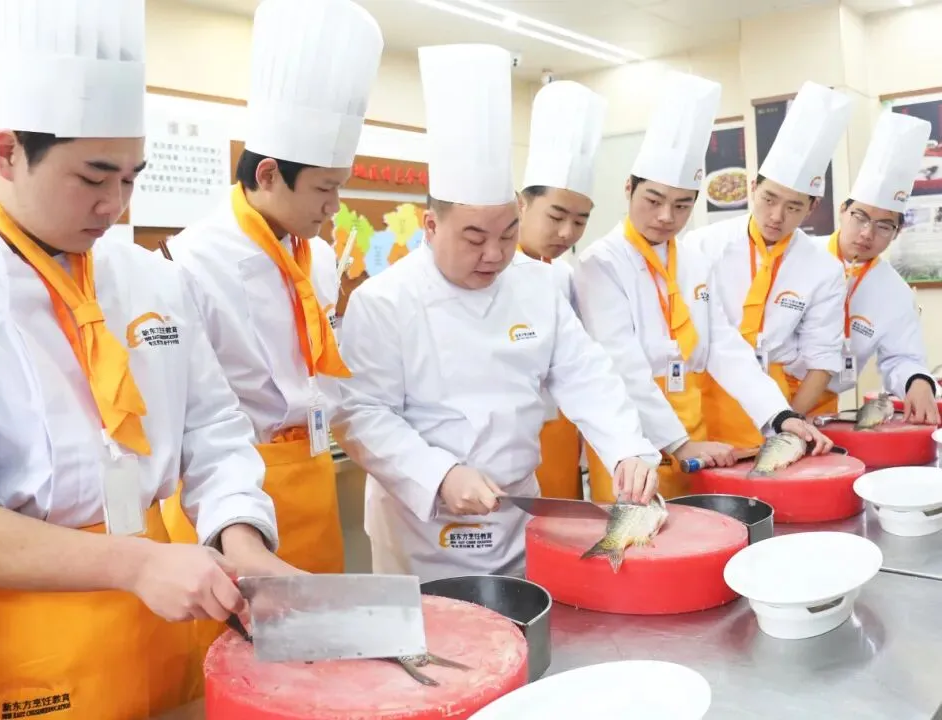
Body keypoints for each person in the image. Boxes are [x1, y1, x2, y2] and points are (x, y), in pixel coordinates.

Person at [0, 1, 292, 716]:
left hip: (155, 627)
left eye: (131, 178)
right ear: (7, 152)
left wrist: (240, 540)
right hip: (6, 642)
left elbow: (212, 431)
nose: (114, 205)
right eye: (93, 179)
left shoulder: (151, 279)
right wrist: (138, 562)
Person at [331, 43, 662, 584]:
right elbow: (361, 414)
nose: (494, 254)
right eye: (474, 238)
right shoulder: (385, 300)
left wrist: (627, 448)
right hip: (422, 527)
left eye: (508, 234)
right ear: (430, 226)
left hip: (515, 517)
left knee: (525, 616)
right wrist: (440, 474)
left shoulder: (537, 284)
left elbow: (584, 373)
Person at [161, 0, 384, 575]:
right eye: (323, 190)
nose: (334, 207)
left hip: (312, 474)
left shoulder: (320, 257)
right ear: (267, 174)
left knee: (320, 620)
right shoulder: (189, 261)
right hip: (226, 492)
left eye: (339, 188)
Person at [572, 71, 833, 503]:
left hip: (691, 424)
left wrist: (778, 414)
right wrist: (676, 443)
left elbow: (722, 345)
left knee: (693, 526)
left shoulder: (690, 257)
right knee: (636, 528)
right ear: (628, 188)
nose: (666, 217)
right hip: (631, 433)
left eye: (681, 205)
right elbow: (622, 366)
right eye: (653, 200)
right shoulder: (600, 263)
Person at [682, 81, 849, 445]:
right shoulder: (701, 245)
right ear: (752, 187)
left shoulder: (824, 269)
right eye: (769, 199)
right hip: (703, 388)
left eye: (793, 207)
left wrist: (788, 422)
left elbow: (822, 358)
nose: (776, 216)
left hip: (776, 393)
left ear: (812, 208)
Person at [786, 110, 939, 423]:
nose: (867, 233)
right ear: (843, 210)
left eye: (884, 226)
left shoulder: (895, 292)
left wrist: (918, 381)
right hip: (761, 389)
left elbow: (902, 357)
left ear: (897, 232)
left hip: (821, 407)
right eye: (860, 217)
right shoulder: (794, 254)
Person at [515, 80, 607, 499]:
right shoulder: (488, 273)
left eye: (580, 221)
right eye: (556, 217)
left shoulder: (565, 275)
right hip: (511, 438)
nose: (567, 233)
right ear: (522, 204)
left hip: (562, 435)